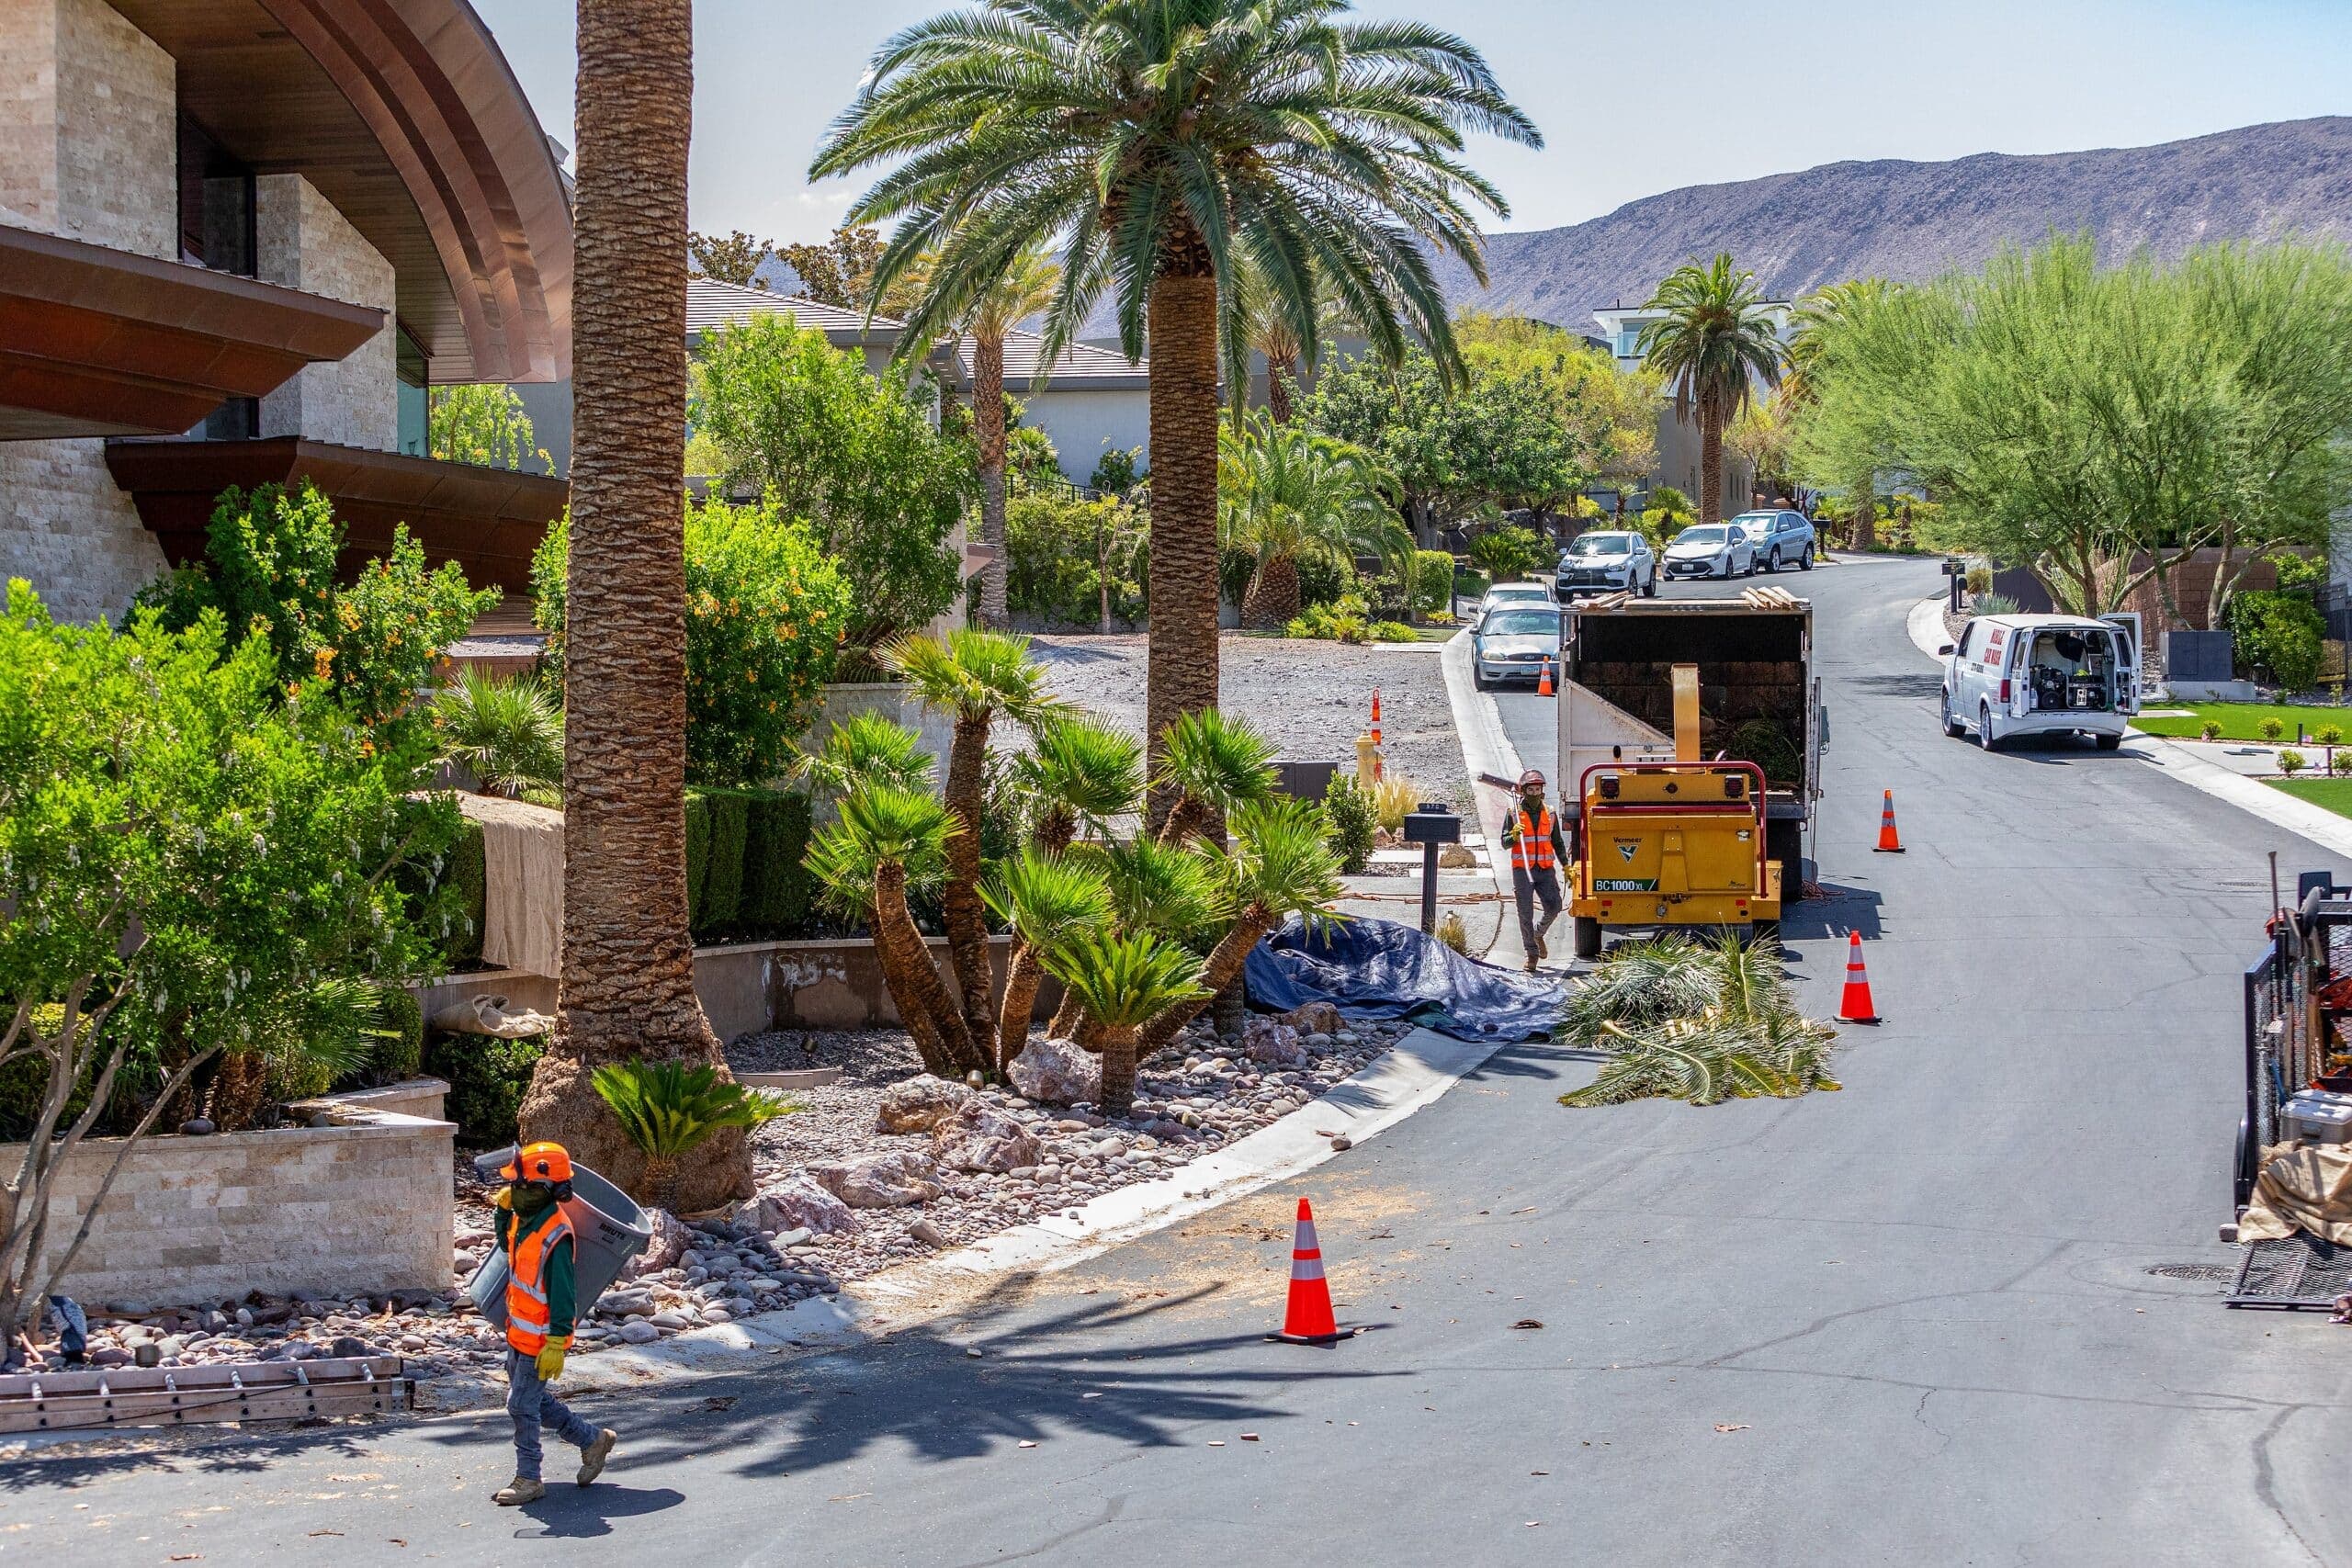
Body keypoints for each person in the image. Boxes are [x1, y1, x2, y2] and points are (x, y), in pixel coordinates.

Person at [490, 1141, 616, 1506]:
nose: (515, 1191)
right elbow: (505, 1245)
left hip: (542, 1340)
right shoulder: (524, 1220)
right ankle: (592, 1440)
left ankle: (529, 1478)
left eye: (521, 1186)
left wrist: (558, 1342)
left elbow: (564, 1296)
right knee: (534, 1401)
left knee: (521, 1405)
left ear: (547, 1190)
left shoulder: (556, 1236)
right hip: (519, 1332)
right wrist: (501, 1213)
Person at [1500, 768, 1566, 971]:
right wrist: (1513, 834)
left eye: (1538, 789)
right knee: (1525, 912)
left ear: (1543, 791)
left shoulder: (1551, 813)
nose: (1535, 793)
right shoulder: (1514, 814)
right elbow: (1504, 842)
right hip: (1523, 870)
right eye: (1531, 790)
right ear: (1523, 791)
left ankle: (1538, 934)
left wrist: (1567, 866)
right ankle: (1532, 954)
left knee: (1555, 906)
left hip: (1545, 869)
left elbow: (1557, 842)